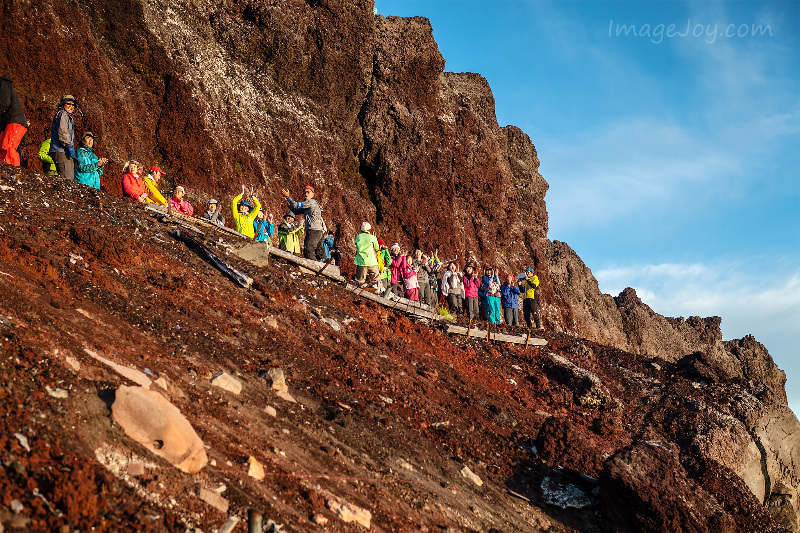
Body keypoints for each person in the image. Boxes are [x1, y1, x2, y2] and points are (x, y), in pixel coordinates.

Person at [282, 185, 325, 261]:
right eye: (305, 192)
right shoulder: (310, 205)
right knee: (319, 251)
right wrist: (288, 201)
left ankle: (313, 267)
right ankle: (328, 266)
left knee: (308, 249)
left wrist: (288, 197)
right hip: (319, 231)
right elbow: (296, 211)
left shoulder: (311, 202)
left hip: (313, 230)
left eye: (308, 192)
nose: (306, 194)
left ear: (313, 194)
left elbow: (296, 205)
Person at [0, 76, 29, 167]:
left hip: (14, 121)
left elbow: (5, 102)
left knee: (9, 148)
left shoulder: (3, 83)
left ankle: (14, 173)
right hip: (6, 123)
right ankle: (4, 172)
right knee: (2, 149)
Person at [49, 95, 77, 179]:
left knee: (68, 179)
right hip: (61, 150)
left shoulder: (66, 116)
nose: (71, 106)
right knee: (67, 179)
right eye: (68, 103)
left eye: (73, 105)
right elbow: (63, 132)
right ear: (62, 104)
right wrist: (69, 146)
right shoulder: (63, 114)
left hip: (63, 151)